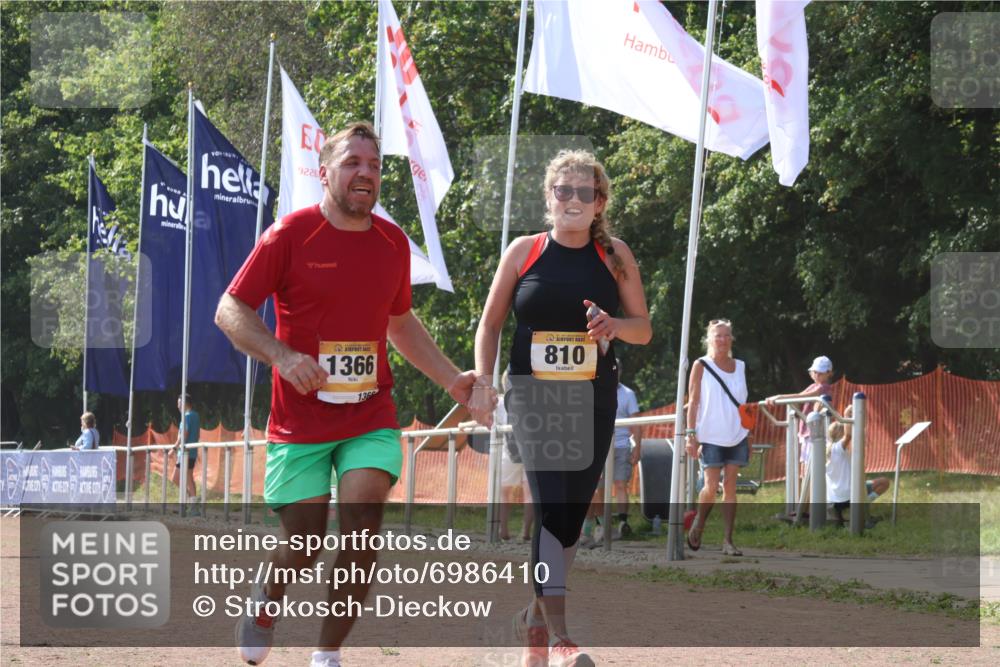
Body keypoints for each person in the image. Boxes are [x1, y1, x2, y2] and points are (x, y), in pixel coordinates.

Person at [215, 121, 480, 667]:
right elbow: (230, 310)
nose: (366, 173)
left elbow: (401, 324)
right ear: (325, 172)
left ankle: (327, 655)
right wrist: (283, 357)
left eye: (375, 166)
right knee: (305, 541)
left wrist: (453, 379)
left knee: (363, 522)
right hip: (299, 420)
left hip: (369, 412)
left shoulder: (391, 244)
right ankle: (266, 602)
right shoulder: (288, 235)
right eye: (353, 163)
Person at [470, 149, 651, 667]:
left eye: (585, 192)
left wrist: (614, 327)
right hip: (532, 394)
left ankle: (533, 618)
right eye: (563, 191)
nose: (573, 200)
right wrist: (484, 379)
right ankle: (560, 638)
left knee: (571, 514)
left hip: (593, 395)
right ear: (549, 198)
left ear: (599, 203)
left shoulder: (615, 255)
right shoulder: (524, 251)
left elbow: (643, 328)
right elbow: (490, 324)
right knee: (551, 507)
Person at [684, 319, 750, 557]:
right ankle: (700, 521)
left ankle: (728, 541)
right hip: (710, 435)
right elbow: (693, 402)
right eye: (717, 335)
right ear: (709, 339)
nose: (722, 339)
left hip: (737, 434)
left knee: (730, 487)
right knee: (711, 487)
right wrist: (691, 435)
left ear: (732, 339)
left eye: (726, 335)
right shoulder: (701, 365)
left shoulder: (740, 366)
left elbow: (742, 401)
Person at [766, 355, 834, 476]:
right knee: (805, 470)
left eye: (821, 372)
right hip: (808, 432)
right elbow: (800, 395)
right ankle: (806, 494)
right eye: (815, 372)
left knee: (812, 471)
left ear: (829, 373)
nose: (817, 375)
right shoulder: (813, 386)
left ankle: (813, 494)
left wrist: (779, 397)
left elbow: (801, 397)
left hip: (817, 433)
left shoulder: (823, 387)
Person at [826, 406, 890, 526]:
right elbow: (848, 435)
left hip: (833, 498)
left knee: (874, 482)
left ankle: (857, 509)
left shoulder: (826, 449)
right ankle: (858, 509)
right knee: (884, 482)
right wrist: (846, 414)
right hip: (847, 496)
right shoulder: (837, 449)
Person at [498, 373, 535, 541]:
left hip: (512, 453)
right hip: (532, 451)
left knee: (504, 492)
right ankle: (524, 531)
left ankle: (503, 530)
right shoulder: (535, 400)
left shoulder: (499, 402)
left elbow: (486, 420)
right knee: (529, 493)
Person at [171, 395, 200, 512]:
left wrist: (174, 447)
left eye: (179, 403)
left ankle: (193, 504)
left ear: (185, 403)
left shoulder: (187, 416)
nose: (177, 406)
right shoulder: (195, 416)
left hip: (185, 452)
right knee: (184, 478)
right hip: (189, 452)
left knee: (181, 478)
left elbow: (184, 434)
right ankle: (192, 501)